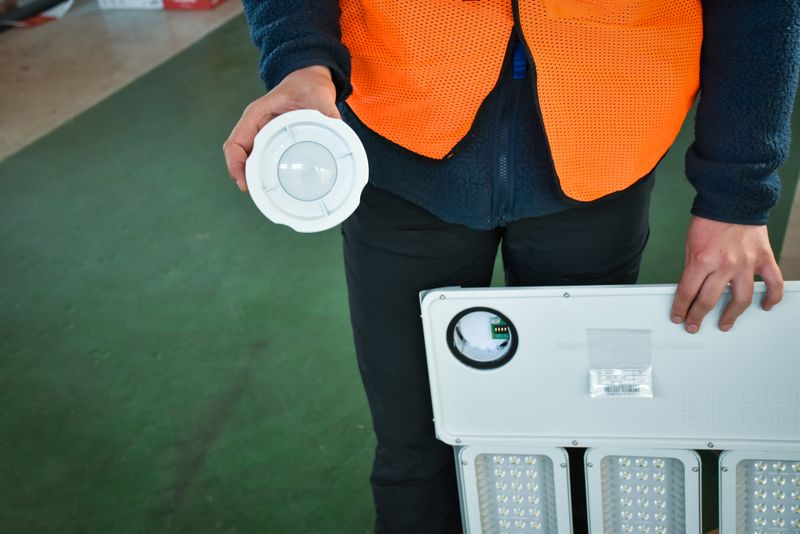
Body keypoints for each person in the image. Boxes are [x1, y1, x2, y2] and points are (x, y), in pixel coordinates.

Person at [223, 1, 799, 532]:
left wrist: (736, 195)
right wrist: (300, 58)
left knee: (578, 438)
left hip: (605, 149)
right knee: (415, 445)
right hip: (398, 144)